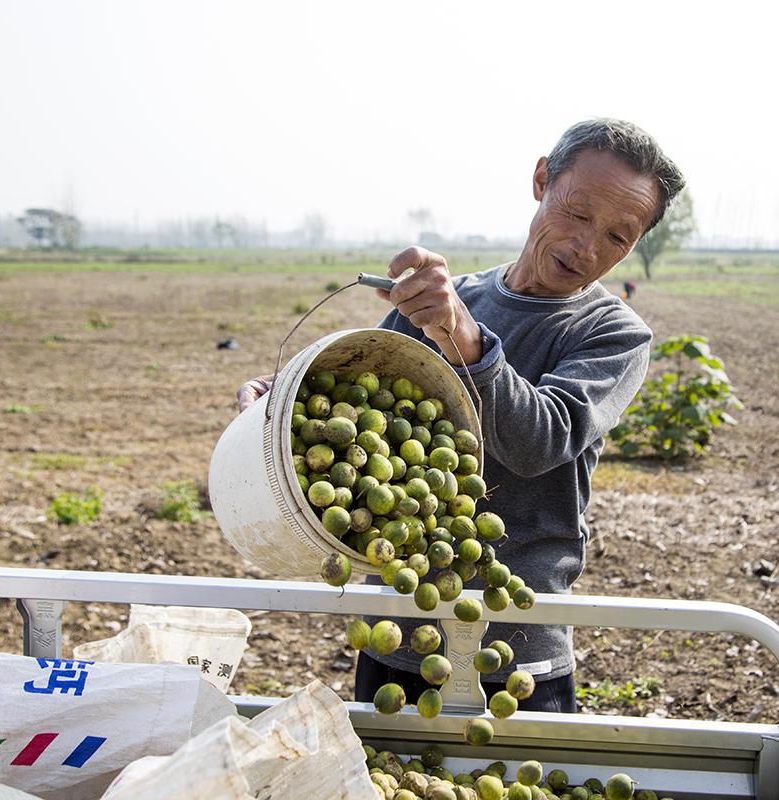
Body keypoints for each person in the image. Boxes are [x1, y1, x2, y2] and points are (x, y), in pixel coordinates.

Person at [237, 118, 685, 712]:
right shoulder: (443, 304)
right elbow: (362, 407)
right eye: (578, 214)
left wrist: (466, 340)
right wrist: (282, 398)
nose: (587, 247)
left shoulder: (612, 333)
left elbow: (538, 442)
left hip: (516, 653)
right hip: (399, 632)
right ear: (541, 179)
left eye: (618, 237)